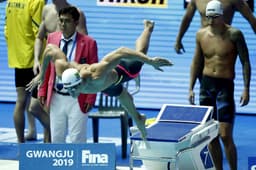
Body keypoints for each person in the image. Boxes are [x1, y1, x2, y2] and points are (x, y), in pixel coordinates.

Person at [39, 19, 173, 140]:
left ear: (80, 81)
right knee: (131, 109)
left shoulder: (96, 72)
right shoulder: (64, 70)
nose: (72, 93)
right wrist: (41, 76)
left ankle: (148, 28)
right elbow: (50, 50)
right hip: (108, 87)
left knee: (140, 53)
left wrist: (150, 61)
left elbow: (121, 51)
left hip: (122, 72)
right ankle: (139, 118)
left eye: (74, 89)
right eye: (68, 89)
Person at [188, 1, 251, 170]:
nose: (210, 20)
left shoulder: (235, 34)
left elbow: (245, 62)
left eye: (214, 17)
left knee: (225, 135)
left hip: (225, 87)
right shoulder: (201, 35)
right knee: (211, 136)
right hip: (206, 87)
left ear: (221, 15)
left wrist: (246, 89)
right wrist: (191, 87)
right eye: (208, 16)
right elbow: (196, 62)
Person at [26, 0, 89, 142]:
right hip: (50, 75)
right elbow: (40, 37)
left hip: (71, 78)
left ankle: (50, 144)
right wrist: (37, 60)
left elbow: (84, 46)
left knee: (73, 135)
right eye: (61, 21)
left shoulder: (77, 13)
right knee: (35, 108)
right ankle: (51, 144)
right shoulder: (46, 10)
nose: (63, 24)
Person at [38, 6, 98, 143]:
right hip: (56, 96)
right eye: (61, 21)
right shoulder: (52, 38)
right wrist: (42, 90)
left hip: (78, 96)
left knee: (77, 138)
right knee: (57, 137)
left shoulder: (89, 43)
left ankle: (77, 165)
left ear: (76, 23)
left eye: (67, 21)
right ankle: (58, 165)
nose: (63, 25)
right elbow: (46, 67)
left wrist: (90, 97)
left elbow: (93, 72)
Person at [4, 0, 46, 143]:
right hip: (35, 59)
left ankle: (23, 140)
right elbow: (39, 32)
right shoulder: (37, 2)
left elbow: (7, 31)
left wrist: (17, 48)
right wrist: (43, 57)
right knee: (42, 104)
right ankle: (50, 140)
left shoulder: (11, 1)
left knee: (21, 100)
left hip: (18, 57)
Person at [174, 0, 256, 54]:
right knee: (200, 75)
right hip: (203, 44)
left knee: (223, 76)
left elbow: (251, 19)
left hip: (223, 45)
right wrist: (178, 39)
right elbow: (187, 18)